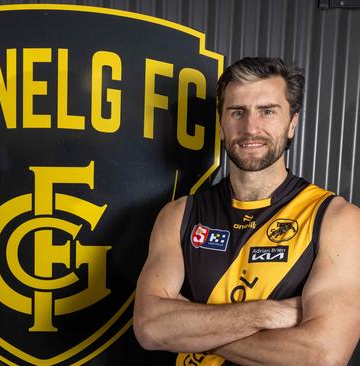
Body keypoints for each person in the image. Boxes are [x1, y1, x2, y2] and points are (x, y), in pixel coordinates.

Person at [133, 57, 360, 365]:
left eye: (267, 111)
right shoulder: (178, 215)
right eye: (237, 112)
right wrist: (265, 313)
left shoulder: (337, 220)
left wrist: (190, 332)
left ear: (292, 123)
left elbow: (322, 355)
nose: (251, 127)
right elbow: (149, 327)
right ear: (222, 125)